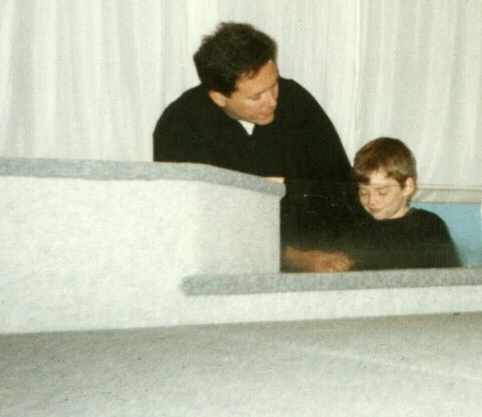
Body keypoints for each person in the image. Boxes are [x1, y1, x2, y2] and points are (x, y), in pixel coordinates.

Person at [153, 22, 362, 272]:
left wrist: (288, 188)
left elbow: (344, 189)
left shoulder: (296, 100)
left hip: (330, 256)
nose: (272, 101)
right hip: (232, 267)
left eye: (274, 84)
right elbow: (194, 225)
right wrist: (296, 258)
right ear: (219, 97)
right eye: (256, 97)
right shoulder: (179, 126)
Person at [340, 137, 461, 270]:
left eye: (382, 192)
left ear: (407, 187)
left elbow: (449, 280)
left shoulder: (428, 227)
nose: (371, 200)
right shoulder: (358, 228)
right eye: (363, 192)